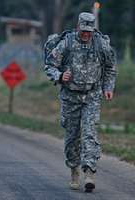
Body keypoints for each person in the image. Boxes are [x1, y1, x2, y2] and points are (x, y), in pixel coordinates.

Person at [44, 12, 116, 192]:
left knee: (89, 133)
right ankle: (74, 170)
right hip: (70, 97)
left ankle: (89, 172)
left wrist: (108, 87)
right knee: (72, 138)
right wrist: (60, 76)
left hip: (92, 96)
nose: (86, 34)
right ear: (78, 27)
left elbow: (110, 68)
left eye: (89, 31)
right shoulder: (66, 43)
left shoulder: (101, 44)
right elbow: (49, 65)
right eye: (83, 31)